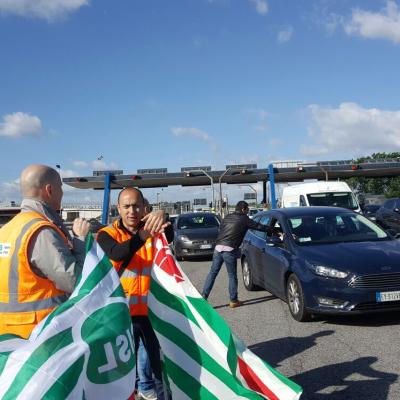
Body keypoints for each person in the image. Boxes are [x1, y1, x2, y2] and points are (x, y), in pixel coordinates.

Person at [0, 164, 90, 338]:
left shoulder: (8, 230)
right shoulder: (41, 231)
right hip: (38, 334)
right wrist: (80, 241)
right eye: (61, 188)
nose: (62, 193)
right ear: (49, 190)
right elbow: (72, 281)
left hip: (8, 333)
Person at [96, 188, 169, 400]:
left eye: (136, 206)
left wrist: (162, 214)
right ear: (118, 208)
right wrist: (143, 235)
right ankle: (135, 389)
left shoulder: (153, 227)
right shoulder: (106, 234)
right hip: (119, 313)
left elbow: (169, 234)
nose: (132, 211)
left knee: (151, 358)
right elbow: (116, 253)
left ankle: (147, 389)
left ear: (144, 207)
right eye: (126, 206)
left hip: (148, 311)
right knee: (122, 364)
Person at [202, 200, 278, 308]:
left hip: (218, 248)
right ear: (243, 209)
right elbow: (259, 227)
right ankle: (233, 300)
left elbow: (221, 229)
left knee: (212, 273)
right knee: (232, 276)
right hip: (230, 249)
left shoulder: (227, 217)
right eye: (247, 209)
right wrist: (274, 230)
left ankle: (204, 297)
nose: (247, 212)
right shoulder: (244, 219)